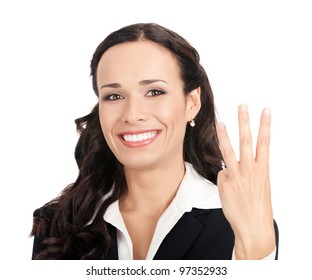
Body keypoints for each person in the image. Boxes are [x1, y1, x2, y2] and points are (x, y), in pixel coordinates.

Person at [30, 23, 278, 260]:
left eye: (155, 92)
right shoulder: (57, 224)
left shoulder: (242, 219)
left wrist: (256, 251)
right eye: (114, 96)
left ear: (191, 103)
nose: (132, 114)